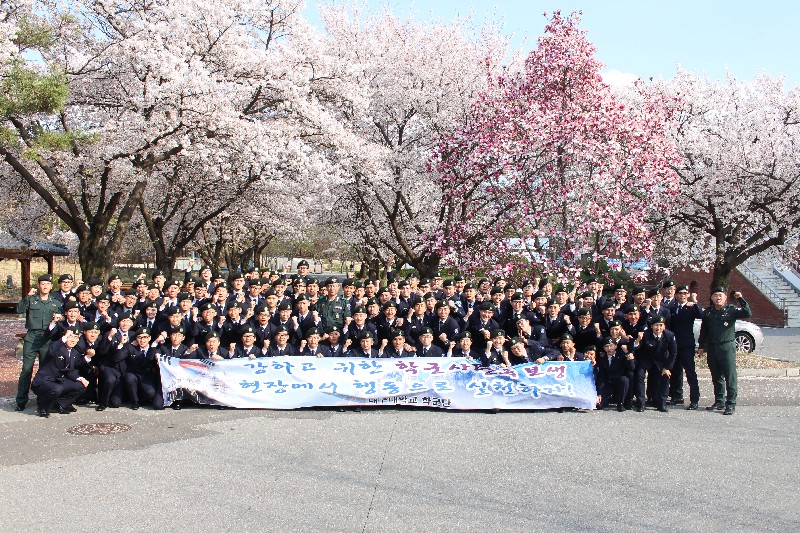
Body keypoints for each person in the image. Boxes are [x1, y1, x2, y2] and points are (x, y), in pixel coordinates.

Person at [697, 288, 751, 415]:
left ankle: (730, 404)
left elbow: (747, 313)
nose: (718, 298)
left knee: (730, 376)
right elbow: (704, 330)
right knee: (716, 376)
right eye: (715, 295)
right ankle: (719, 401)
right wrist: (701, 346)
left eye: (720, 295)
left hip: (726, 347)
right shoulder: (708, 312)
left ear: (725, 297)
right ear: (712, 298)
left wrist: (740, 299)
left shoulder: (731, 310)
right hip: (712, 347)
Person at [15, 274, 63, 412]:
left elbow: (61, 319)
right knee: (26, 369)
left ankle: (42, 399)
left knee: (45, 370)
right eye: (42, 284)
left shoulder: (55, 303)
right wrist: (27, 296)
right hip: (32, 337)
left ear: (51, 286)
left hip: (47, 338)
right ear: (38, 286)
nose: (45, 286)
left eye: (47, 284)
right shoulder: (31, 300)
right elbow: (19, 310)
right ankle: (21, 400)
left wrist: (59, 318)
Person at [30, 328, 92, 417]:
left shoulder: (74, 352)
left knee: (81, 385)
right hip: (44, 381)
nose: (73, 340)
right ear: (65, 337)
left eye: (75, 337)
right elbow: (51, 351)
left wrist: (81, 378)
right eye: (70, 337)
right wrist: (64, 337)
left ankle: (59, 405)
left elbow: (70, 371)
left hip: (58, 381)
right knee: (56, 389)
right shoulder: (57, 347)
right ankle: (42, 407)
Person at [668, 285, 703, 409]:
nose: (682, 295)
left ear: (688, 295)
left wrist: (695, 301)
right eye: (680, 293)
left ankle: (694, 399)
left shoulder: (692, 307)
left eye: (685, 293)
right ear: (676, 295)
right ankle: (677, 396)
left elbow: (701, 315)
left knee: (690, 372)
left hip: (686, 345)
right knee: (675, 371)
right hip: (674, 344)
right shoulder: (672, 308)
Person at [632, 316, 677, 413]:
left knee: (665, 376)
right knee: (639, 376)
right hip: (645, 360)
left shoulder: (669, 335)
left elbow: (673, 353)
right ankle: (641, 403)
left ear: (664, 326)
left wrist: (667, 367)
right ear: (651, 326)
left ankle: (662, 403)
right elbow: (636, 348)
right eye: (656, 325)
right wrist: (638, 340)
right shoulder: (645, 334)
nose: (658, 328)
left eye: (661, 325)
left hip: (660, 361)